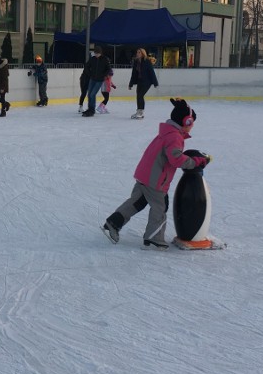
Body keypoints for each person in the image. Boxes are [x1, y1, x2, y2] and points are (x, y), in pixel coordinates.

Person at [102, 98, 210, 249]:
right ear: (187, 121)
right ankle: (154, 239)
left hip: (144, 175)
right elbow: (176, 159)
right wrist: (197, 162)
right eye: (192, 123)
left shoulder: (167, 132)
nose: (192, 126)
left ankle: (113, 223)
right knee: (160, 207)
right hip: (156, 180)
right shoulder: (175, 137)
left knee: (136, 202)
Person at [129, 48, 159, 119]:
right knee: (138, 95)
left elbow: (151, 72)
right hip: (140, 81)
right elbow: (134, 74)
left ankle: (141, 112)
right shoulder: (136, 62)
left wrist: (155, 83)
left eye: (139, 52)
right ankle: (139, 111)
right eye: (137, 52)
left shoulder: (147, 61)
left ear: (143, 54)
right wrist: (131, 84)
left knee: (140, 95)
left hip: (147, 82)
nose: (137, 54)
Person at [82, 46, 112, 117]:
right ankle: (90, 108)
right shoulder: (92, 59)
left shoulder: (104, 59)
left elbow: (108, 69)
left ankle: (92, 109)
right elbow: (86, 66)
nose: (96, 55)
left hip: (99, 80)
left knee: (92, 94)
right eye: (95, 53)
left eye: (98, 53)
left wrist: (103, 75)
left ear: (100, 53)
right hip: (92, 79)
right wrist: (90, 74)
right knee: (89, 94)